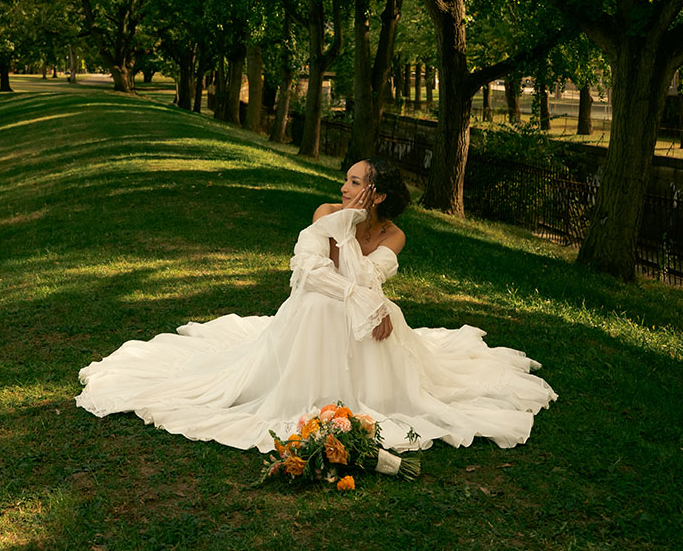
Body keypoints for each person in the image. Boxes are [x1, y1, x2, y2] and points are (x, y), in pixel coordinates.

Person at [76, 157, 557, 452]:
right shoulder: (327, 214)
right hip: (319, 309)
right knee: (324, 305)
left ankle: (366, 392)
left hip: (366, 315)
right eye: (345, 180)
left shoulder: (392, 234)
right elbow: (311, 272)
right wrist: (350, 243)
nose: (343, 188)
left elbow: (368, 277)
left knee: (372, 318)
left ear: (377, 193)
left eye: (354, 182)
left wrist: (368, 298)